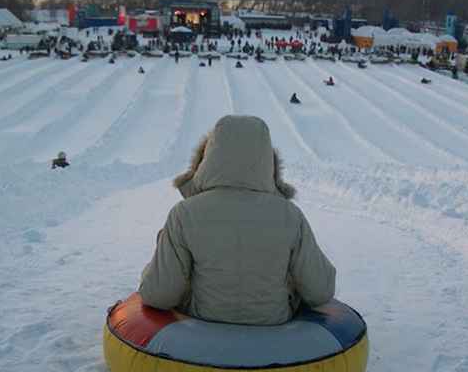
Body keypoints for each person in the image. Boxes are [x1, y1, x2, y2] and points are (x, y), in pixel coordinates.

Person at [138, 115, 336, 326]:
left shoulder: (184, 214)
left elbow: (159, 295)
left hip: (201, 332)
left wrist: (149, 271)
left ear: (208, 159)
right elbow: (320, 290)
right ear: (267, 161)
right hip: (273, 329)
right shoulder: (290, 215)